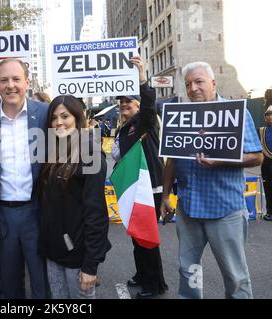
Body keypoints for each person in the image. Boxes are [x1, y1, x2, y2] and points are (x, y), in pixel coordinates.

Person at [161, 61, 263, 299]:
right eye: (188, 84)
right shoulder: (180, 115)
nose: (193, 88)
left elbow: (257, 157)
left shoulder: (236, 113)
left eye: (199, 82)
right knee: (189, 271)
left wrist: (221, 160)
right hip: (188, 211)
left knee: (235, 277)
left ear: (213, 83)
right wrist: (166, 196)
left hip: (224, 210)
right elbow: (171, 160)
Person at [0, 58, 49, 298]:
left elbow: (71, 148)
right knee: (9, 283)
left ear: (27, 83)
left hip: (37, 211)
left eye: (16, 79)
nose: (10, 85)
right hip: (2, 215)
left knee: (41, 281)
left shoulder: (46, 114)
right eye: (4, 80)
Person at [38, 95, 111, 299]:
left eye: (65, 116)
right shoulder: (52, 151)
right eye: (54, 118)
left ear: (77, 118)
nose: (58, 122)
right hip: (53, 254)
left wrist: (90, 265)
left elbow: (96, 213)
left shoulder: (91, 154)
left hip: (78, 258)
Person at [111, 56, 168, 299]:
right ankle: (142, 275)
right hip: (132, 187)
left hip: (148, 188)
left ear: (138, 105)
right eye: (121, 102)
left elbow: (148, 105)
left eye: (129, 102)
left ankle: (154, 285)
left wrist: (142, 78)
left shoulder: (145, 121)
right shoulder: (124, 127)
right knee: (137, 235)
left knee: (147, 238)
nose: (125, 105)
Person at [259, 105, 272, 221]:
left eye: (271, 114)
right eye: (267, 114)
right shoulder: (261, 131)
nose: (269, 116)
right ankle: (270, 212)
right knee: (268, 188)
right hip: (266, 165)